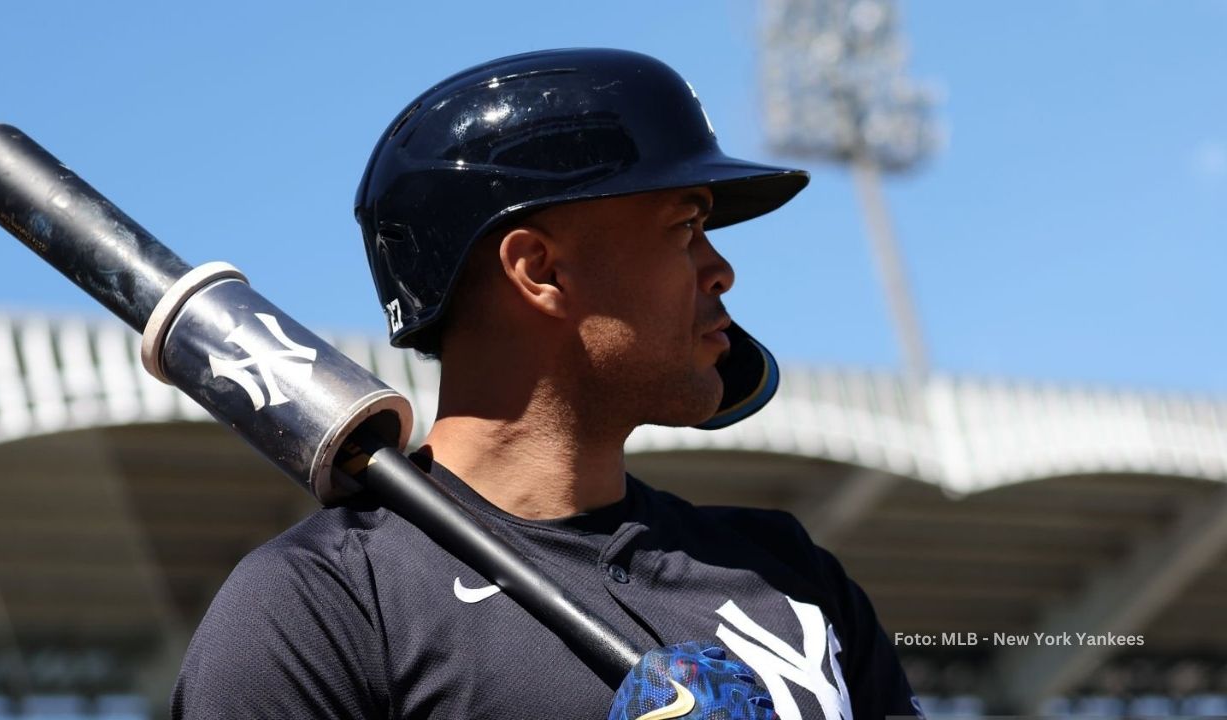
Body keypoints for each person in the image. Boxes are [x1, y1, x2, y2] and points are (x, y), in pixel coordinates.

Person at [171, 48, 921, 720]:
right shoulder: (319, 606)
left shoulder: (785, 571)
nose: (721, 268)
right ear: (539, 270)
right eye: (685, 227)